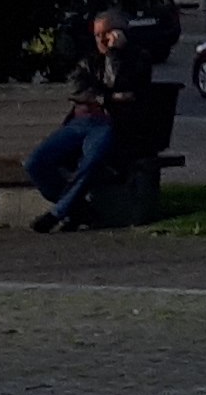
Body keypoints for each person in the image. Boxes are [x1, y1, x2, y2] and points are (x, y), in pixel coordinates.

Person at [25, 12, 133, 232]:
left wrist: (114, 54)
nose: (101, 41)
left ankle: (57, 213)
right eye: (97, 35)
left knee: (91, 161)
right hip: (78, 123)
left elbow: (119, 82)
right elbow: (77, 90)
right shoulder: (88, 60)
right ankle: (79, 210)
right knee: (35, 163)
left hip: (110, 125)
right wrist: (109, 97)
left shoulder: (137, 58)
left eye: (107, 35)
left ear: (119, 34)